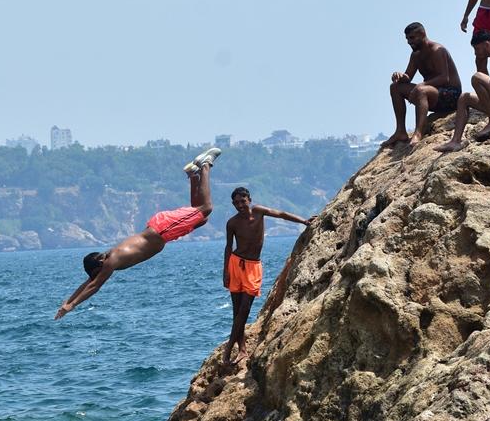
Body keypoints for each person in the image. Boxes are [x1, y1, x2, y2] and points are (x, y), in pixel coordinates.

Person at [55, 147, 221, 320]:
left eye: (97, 272)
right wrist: (68, 300)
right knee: (200, 217)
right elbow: (89, 283)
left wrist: (71, 306)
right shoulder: (107, 260)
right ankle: (194, 175)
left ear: (99, 263)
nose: (99, 275)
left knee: (205, 208)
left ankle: (205, 165)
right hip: (164, 232)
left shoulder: (112, 260)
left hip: (162, 230)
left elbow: (94, 286)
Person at [221, 187, 310, 365]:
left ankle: (229, 349)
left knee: (245, 309)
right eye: (236, 202)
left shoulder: (259, 212)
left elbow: (282, 214)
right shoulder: (232, 223)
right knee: (237, 311)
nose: (240, 205)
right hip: (236, 264)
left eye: (243, 201)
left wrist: (304, 221)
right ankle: (242, 350)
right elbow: (228, 247)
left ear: (249, 199)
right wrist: (226, 272)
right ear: (233, 204)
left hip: (253, 267)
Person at [383, 23, 462, 147]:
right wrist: (400, 76)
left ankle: (418, 133)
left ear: (422, 34)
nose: (409, 42)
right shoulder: (416, 55)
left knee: (421, 90)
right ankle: (400, 131)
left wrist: (421, 85)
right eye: (407, 39)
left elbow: (444, 78)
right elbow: (408, 76)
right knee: (395, 87)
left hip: (450, 95)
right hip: (431, 94)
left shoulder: (436, 50)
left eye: (412, 38)